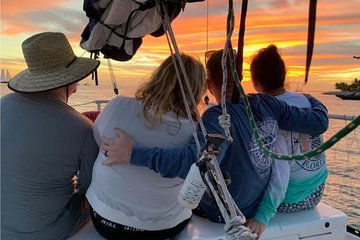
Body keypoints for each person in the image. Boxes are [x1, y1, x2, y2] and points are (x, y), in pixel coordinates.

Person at [100, 49, 328, 234]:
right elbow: (319, 122)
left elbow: (193, 163)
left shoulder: (215, 119)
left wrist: (133, 153)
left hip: (225, 213)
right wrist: (311, 98)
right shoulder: (269, 104)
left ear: (209, 85)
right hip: (256, 204)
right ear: (241, 78)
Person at [86, 53, 207, 239]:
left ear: (158, 77)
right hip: (165, 227)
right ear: (197, 90)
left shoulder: (119, 106)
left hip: (105, 221)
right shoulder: (195, 131)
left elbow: (98, 139)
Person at [1, 32, 100, 240]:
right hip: (45, 231)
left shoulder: (3, 104)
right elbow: (91, 189)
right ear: (71, 80)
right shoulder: (82, 128)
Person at [244, 44, 328, 239]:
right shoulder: (307, 102)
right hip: (318, 188)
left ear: (255, 82)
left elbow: (281, 173)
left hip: (294, 199)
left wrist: (262, 217)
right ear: (284, 76)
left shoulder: (269, 116)